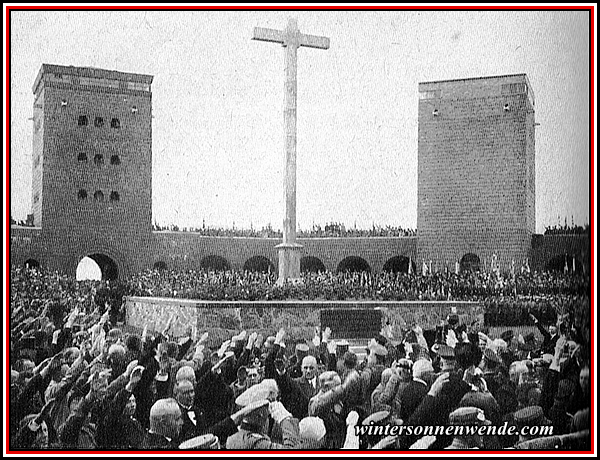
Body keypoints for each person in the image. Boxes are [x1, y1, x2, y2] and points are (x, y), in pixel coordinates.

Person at [225, 383, 300, 449]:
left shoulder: (234, 437)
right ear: (261, 414)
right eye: (267, 409)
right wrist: (285, 419)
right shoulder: (256, 442)